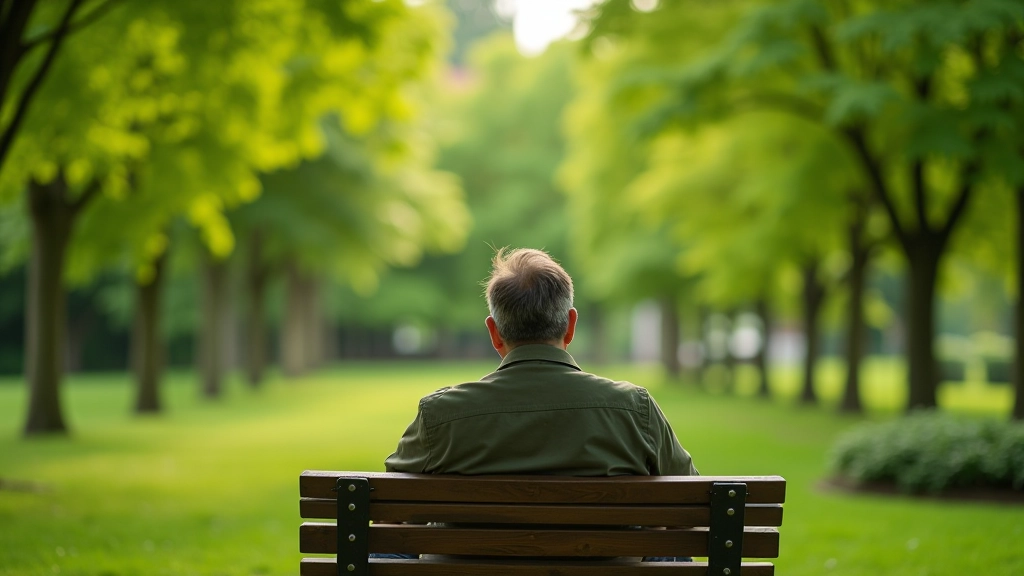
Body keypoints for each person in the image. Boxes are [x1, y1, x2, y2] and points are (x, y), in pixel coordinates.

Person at [381, 247, 697, 562]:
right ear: (570, 325)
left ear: (494, 332)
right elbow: (692, 503)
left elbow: (388, 508)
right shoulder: (634, 409)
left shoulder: (440, 414)